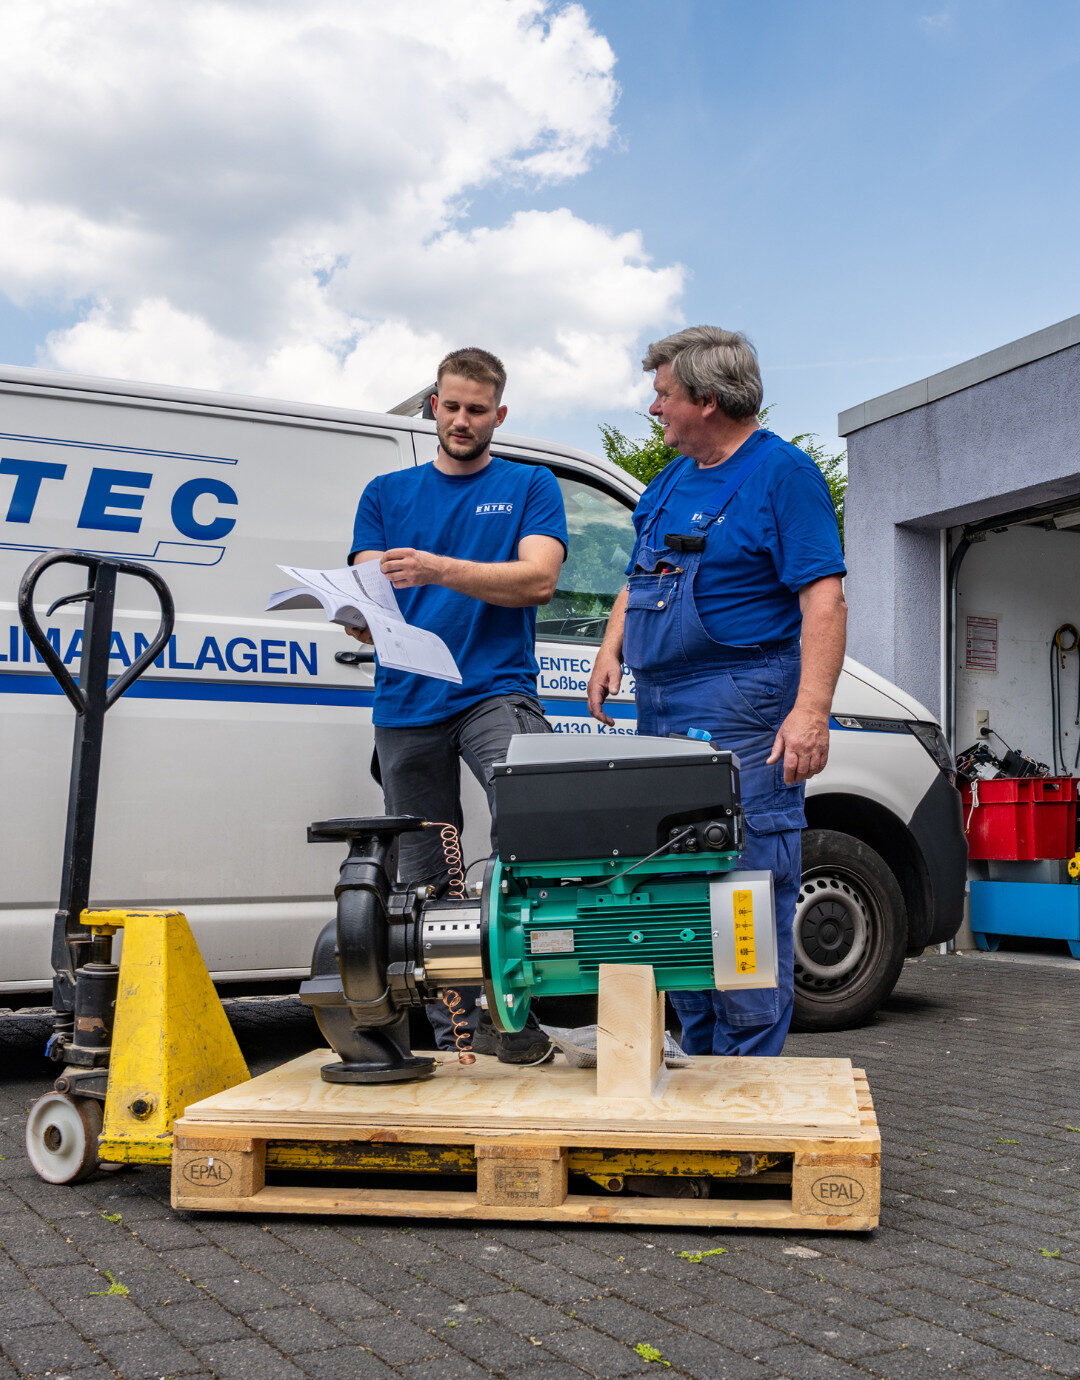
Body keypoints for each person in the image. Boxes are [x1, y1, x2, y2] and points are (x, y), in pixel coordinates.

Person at [586, 326, 847, 1057]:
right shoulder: (670, 479)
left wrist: (811, 712)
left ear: (707, 398)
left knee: (742, 900)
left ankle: (747, 1089)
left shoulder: (783, 475)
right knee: (676, 899)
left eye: (664, 394)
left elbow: (824, 603)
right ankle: (700, 1073)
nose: (654, 407)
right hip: (660, 711)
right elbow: (641, 578)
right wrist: (612, 650)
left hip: (743, 709)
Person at [348, 346, 568, 1063]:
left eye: (478, 409)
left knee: (528, 842)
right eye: (452, 406)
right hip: (407, 701)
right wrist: (350, 611)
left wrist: (439, 568)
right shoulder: (385, 494)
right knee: (425, 882)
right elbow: (362, 596)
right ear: (433, 407)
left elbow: (537, 581)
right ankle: (458, 1047)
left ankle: (518, 1016)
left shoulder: (532, 485)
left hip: (494, 689)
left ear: (499, 414)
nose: (463, 419)